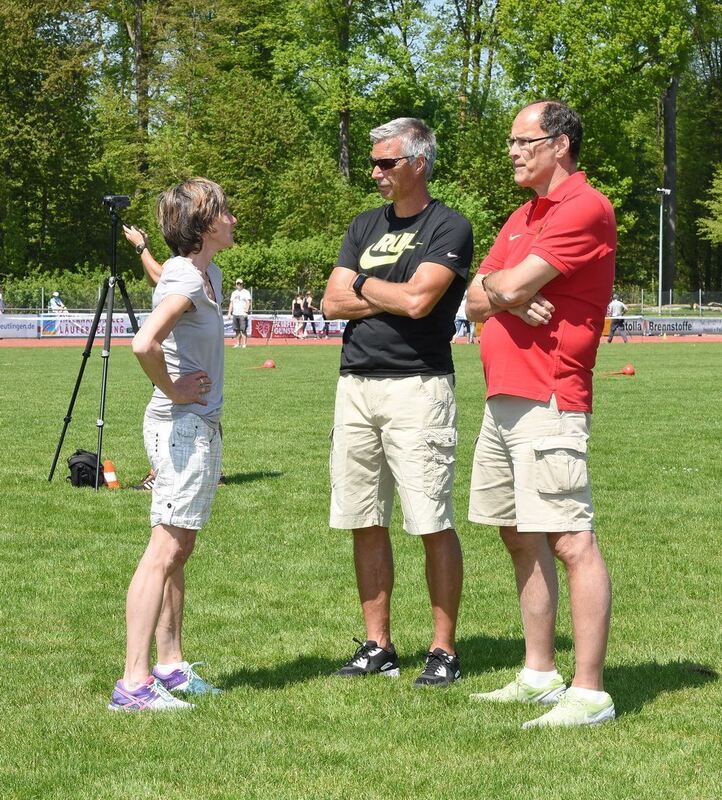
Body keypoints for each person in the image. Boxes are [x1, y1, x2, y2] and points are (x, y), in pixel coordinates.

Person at [465, 101, 616, 728]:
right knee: (515, 532)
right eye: (511, 142)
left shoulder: (584, 206)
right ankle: (539, 674)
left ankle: (590, 693)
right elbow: (475, 296)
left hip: (550, 394)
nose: (513, 151)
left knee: (570, 539)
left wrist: (504, 291)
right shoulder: (523, 214)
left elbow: (510, 285)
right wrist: (504, 296)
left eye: (524, 141)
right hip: (503, 395)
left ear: (561, 144)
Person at [322, 117, 473, 686]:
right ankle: (377, 644)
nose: (377, 173)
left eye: (387, 163)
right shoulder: (363, 225)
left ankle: (443, 650)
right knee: (364, 517)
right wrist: (377, 293)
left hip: (418, 386)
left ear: (419, 164)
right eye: (374, 163)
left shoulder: (449, 226)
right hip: (355, 384)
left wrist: (362, 285)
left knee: (431, 519)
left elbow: (418, 302)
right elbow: (330, 303)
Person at [108, 177, 235, 711]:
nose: (233, 219)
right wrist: (173, 387)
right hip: (181, 426)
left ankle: (170, 665)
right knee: (164, 549)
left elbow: (168, 291)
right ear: (204, 225)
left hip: (197, 426)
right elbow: (144, 342)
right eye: (225, 212)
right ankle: (133, 684)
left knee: (179, 549)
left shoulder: (207, 274)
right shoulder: (187, 277)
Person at [228, 279, 252, 348]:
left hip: (242, 314)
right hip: (235, 314)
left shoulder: (246, 292)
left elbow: (248, 302)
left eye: (240, 283)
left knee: (243, 330)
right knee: (237, 330)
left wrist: (246, 312)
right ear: (236, 284)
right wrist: (229, 313)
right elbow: (231, 303)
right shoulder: (234, 293)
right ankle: (237, 344)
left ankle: (244, 344)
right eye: (237, 284)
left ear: (242, 284)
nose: (239, 285)